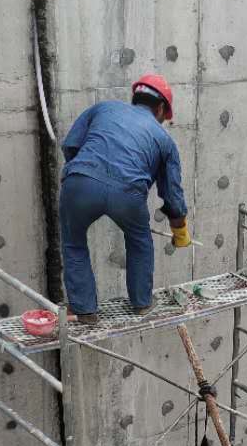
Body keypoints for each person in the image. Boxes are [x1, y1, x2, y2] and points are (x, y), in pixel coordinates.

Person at [58, 74, 191, 323]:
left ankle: (84, 309)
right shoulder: (164, 140)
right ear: (161, 108)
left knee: (74, 243)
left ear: (135, 97)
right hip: (127, 194)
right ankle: (142, 303)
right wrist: (180, 232)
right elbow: (173, 196)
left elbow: (71, 146)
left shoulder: (103, 108)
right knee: (140, 240)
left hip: (79, 183)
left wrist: (81, 177)